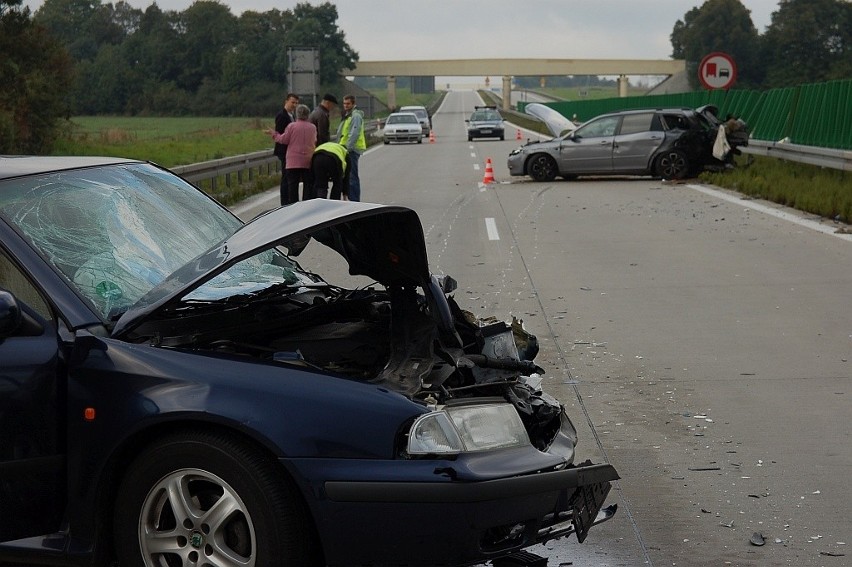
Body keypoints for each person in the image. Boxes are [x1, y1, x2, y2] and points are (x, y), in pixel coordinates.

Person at [267, 104, 317, 204]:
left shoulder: (292, 126)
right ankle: (306, 205)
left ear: (297, 114)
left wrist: (274, 134)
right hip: (308, 160)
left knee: (292, 186)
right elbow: (315, 140)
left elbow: (283, 140)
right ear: (308, 115)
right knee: (308, 185)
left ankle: (293, 206)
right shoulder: (312, 127)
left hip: (293, 161)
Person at [335, 95, 366, 202]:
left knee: (352, 177)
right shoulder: (348, 115)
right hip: (345, 149)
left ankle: (354, 200)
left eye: (348, 104)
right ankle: (351, 199)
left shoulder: (355, 115)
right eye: (344, 103)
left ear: (353, 104)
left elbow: (354, 133)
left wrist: (347, 148)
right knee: (348, 176)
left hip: (351, 150)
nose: (345, 106)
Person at [273, 93, 299, 205]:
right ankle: (284, 202)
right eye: (292, 102)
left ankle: (287, 201)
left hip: (289, 151)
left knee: (288, 177)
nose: (294, 105)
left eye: (296, 103)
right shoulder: (282, 116)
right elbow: (280, 134)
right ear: (286, 101)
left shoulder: (292, 115)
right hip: (284, 151)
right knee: (285, 178)